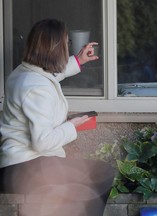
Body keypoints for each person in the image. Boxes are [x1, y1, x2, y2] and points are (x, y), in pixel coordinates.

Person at [0, 19, 115, 216]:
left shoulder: (22, 72)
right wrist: (72, 126)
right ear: (56, 48)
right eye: (66, 43)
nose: (67, 46)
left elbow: (48, 77)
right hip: (22, 168)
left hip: (15, 164)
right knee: (101, 173)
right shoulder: (36, 88)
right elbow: (42, 143)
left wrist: (77, 60)